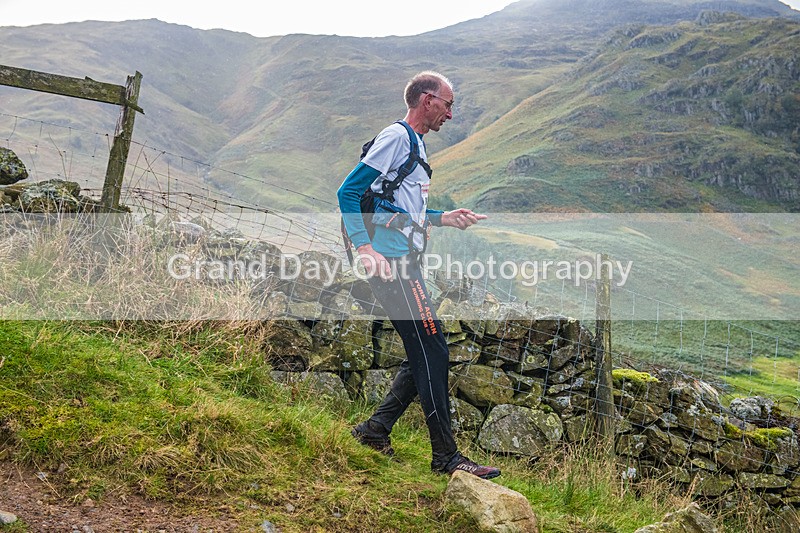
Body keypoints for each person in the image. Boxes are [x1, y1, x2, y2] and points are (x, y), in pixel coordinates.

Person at [336, 71, 500, 480]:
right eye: (448, 103)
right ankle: (446, 457)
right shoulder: (397, 137)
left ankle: (375, 430)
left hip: (404, 260)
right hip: (392, 264)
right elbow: (348, 192)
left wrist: (444, 218)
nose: (450, 112)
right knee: (434, 350)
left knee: (424, 350)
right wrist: (365, 247)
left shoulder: (415, 146)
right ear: (427, 100)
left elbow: (400, 209)